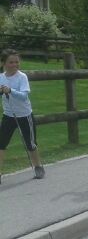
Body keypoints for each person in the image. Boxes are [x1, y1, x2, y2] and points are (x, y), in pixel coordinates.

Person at [0, 49, 45, 182]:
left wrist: (10, 90)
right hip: (8, 115)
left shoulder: (22, 77)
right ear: (4, 63)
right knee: (1, 143)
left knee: (30, 143)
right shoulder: (1, 77)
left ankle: (38, 166)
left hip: (24, 115)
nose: (14, 65)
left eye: (16, 62)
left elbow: (24, 96)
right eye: (11, 62)